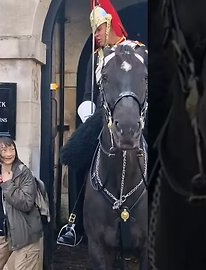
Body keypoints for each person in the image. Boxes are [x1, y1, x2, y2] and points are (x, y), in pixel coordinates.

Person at [58, 0, 148, 247]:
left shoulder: (135, 50)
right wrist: (86, 107)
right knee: (73, 156)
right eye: (94, 30)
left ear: (110, 25)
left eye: (98, 29)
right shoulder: (96, 58)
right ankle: (75, 221)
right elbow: (89, 92)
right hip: (102, 117)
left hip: (135, 113)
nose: (96, 35)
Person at [0, 136, 43, 270]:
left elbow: (27, 203)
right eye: (4, 150)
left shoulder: (24, 172)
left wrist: (8, 184)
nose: (9, 153)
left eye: (12, 149)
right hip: (2, 233)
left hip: (25, 234)